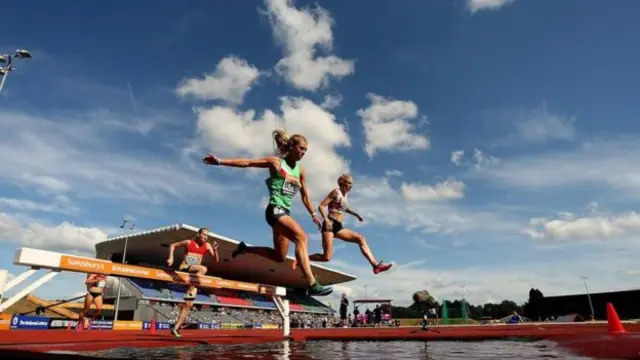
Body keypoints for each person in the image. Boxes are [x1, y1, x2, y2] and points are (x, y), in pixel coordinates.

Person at [202, 129, 333, 297]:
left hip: (285, 213)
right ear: (291, 146)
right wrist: (220, 161)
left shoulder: (300, 171)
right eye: (300, 148)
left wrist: (313, 214)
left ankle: (245, 249)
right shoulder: (276, 163)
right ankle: (312, 283)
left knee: (279, 256)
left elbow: (305, 196)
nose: (303, 153)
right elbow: (248, 163)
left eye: (305, 150)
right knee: (302, 237)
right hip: (274, 210)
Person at [297, 174, 392, 274]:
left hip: (338, 226)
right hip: (329, 225)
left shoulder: (345, 195)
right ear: (342, 183)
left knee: (360, 238)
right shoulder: (335, 192)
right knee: (326, 257)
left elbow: (345, 208)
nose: (351, 186)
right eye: (349, 183)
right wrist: (326, 220)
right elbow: (321, 206)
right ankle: (302, 258)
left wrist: (356, 214)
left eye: (352, 184)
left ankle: (375, 266)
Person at [166, 227, 219, 337]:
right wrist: (171, 257)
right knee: (203, 269)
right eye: (204, 234)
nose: (205, 237)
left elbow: (215, 261)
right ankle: (191, 288)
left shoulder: (208, 246)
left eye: (207, 236)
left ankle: (175, 328)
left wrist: (215, 250)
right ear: (198, 234)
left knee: (188, 304)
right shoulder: (188, 242)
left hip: (194, 278)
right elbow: (172, 245)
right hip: (186, 268)